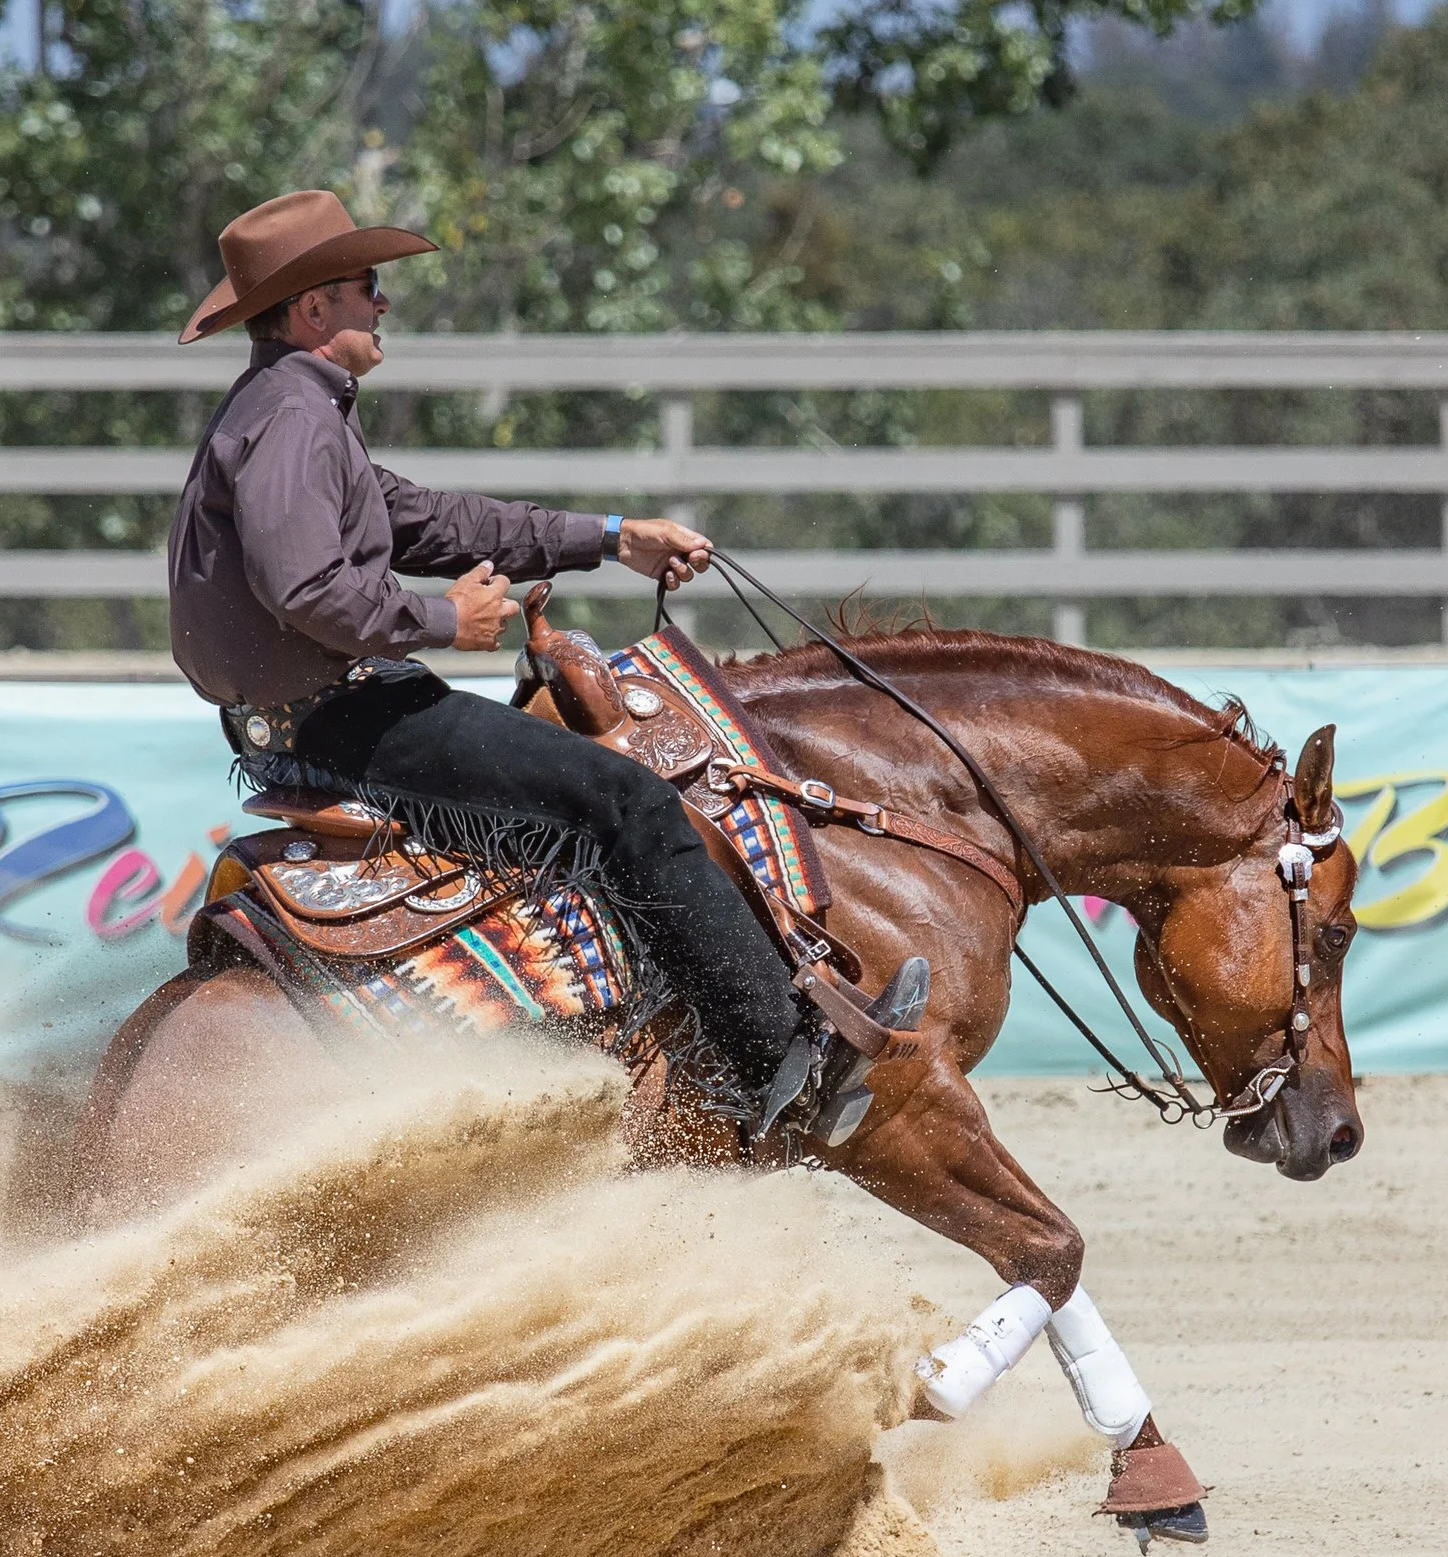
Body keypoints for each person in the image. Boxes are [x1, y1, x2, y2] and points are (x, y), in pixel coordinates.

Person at [167, 190, 923, 1142]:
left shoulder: (289, 409)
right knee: (629, 800)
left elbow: (429, 520)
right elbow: (307, 588)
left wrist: (609, 537)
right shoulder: (296, 420)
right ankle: (776, 1064)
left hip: (316, 717)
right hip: (348, 721)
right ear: (314, 308)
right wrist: (446, 619)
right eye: (367, 285)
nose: (383, 303)